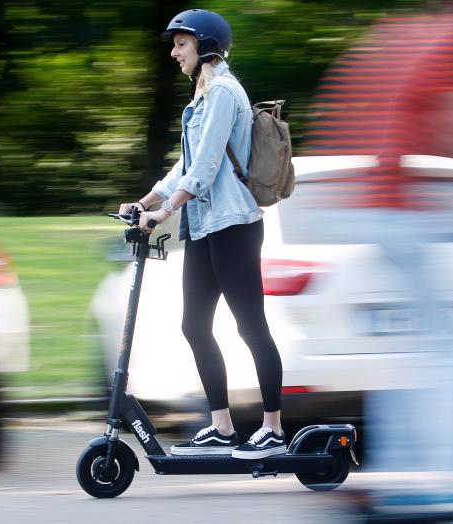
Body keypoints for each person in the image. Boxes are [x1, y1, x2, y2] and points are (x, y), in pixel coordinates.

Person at [117, 9, 285, 460]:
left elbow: (207, 166)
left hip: (234, 226)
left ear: (206, 45)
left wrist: (166, 213)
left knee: (251, 327)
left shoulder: (225, 91)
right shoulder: (204, 95)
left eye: (181, 44)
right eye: (174, 45)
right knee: (194, 325)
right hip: (206, 227)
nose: (174, 52)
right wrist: (146, 202)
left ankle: (273, 428)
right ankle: (222, 426)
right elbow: (185, 164)